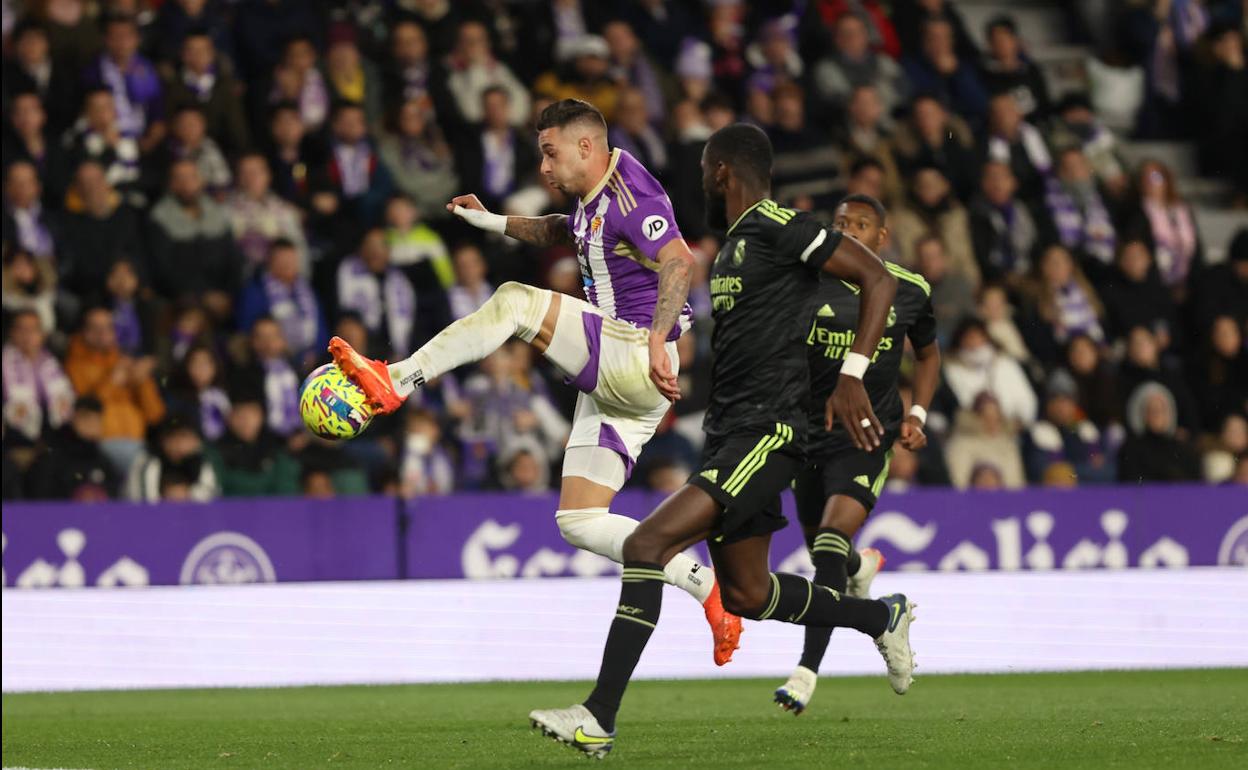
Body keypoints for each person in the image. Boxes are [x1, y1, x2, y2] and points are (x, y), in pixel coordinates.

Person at [528, 123, 913, 756]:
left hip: (767, 432)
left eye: (707, 170)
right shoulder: (736, 244)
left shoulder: (777, 226)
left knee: (648, 544)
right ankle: (882, 617)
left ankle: (598, 716)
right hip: (731, 432)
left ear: (724, 173)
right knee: (748, 593)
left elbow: (879, 279)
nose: (703, 181)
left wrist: (852, 375)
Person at [327, 99, 739, 665]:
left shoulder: (631, 194)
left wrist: (656, 336)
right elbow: (559, 232)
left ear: (586, 147)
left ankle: (396, 379)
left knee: (516, 302)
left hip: (636, 353)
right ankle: (707, 591)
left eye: (550, 153)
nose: (543, 167)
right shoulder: (592, 199)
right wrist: (494, 221)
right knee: (579, 520)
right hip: (628, 386)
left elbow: (679, 261)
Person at [774, 193, 940, 715]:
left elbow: (929, 353)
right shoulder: (803, 284)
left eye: (861, 224)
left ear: (881, 237)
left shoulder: (907, 289)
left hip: (867, 436)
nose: (848, 230)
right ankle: (860, 570)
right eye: (841, 222)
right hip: (807, 436)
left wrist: (917, 415)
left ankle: (806, 671)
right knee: (827, 551)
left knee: (825, 544)